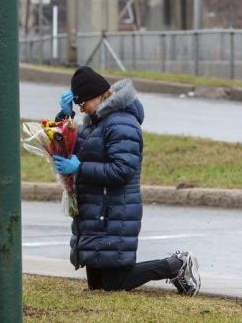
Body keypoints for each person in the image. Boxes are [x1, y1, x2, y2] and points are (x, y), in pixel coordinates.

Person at [53, 66, 201, 295]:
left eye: (83, 104)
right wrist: (65, 117)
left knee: (115, 284)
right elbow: (70, 147)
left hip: (114, 210)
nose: (81, 109)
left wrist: (80, 168)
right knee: (97, 286)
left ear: (99, 96)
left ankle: (176, 265)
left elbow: (122, 170)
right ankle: (173, 266)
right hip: (94, 210)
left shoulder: (122, 123)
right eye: (78, 105)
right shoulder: (93, 122)